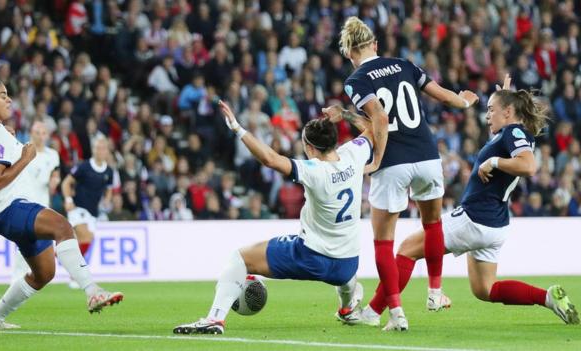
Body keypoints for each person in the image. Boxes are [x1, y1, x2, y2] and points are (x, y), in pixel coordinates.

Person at [361, 76, 579, 326]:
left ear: (508, 113)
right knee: (484, 290)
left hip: (474, 218)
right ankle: (549, 298)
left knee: (407, 250)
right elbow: (510, 140)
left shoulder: (513, 131)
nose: (487, 115)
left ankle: (372, 312)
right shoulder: (510, 132)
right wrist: (505, 98)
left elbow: (529, 166)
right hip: (494, 224)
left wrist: (493, 162)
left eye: (491, 110)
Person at [324, 16, 478, 331]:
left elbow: (379, 118)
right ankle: (435, 292)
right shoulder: (404, 64)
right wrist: (464, 102)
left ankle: (396, 314)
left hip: (393, 163)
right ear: (375, 45)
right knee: (433, 224)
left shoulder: (356, 79)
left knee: (383, 240)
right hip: (426, 155)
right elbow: (445, 96)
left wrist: (377, 158)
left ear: (350, 52)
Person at [173, 99, 376, 335]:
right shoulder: (354, 153)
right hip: (347, 262)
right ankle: (347, 308)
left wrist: (238, 129)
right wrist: (345, 114)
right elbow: (374, 128)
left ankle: (214, 319)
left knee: (240, 258)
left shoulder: (314, 171)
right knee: (347, 277)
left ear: (310, 147)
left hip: (311, 256)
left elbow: (270, 159)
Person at [0, 79, 122, 330]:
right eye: (2, 95)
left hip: (9, 211)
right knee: (63, 227)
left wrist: (8, 144)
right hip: (11, 208)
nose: (9, 99)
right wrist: (25, 158)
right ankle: (93, 291)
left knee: (44, 273)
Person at [61, 136, 113, 289]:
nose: (101, 151)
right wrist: (68, 200)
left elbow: (109, 188)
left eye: (104, 148)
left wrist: (107, 200)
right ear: (94, 149)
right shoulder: (84, 166)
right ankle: (75, 271)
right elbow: (67, 182)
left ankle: (68, 266)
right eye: (98, 147)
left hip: (93, 213)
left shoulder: (109, 171)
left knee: (84, 242)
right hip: (78, 208)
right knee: (86, 237)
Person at [11, 120, 61, 282]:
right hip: (25, 202)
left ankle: (37, 276)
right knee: (25, 241)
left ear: (47, 135)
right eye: (37, 132)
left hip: (43, 204)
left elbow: (55, 175)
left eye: (43, 133)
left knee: (42, 242)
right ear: (31, 133)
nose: (40, 136)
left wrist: (55, 181)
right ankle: (17, 277)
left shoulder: (52, 155)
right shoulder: (22, 151)